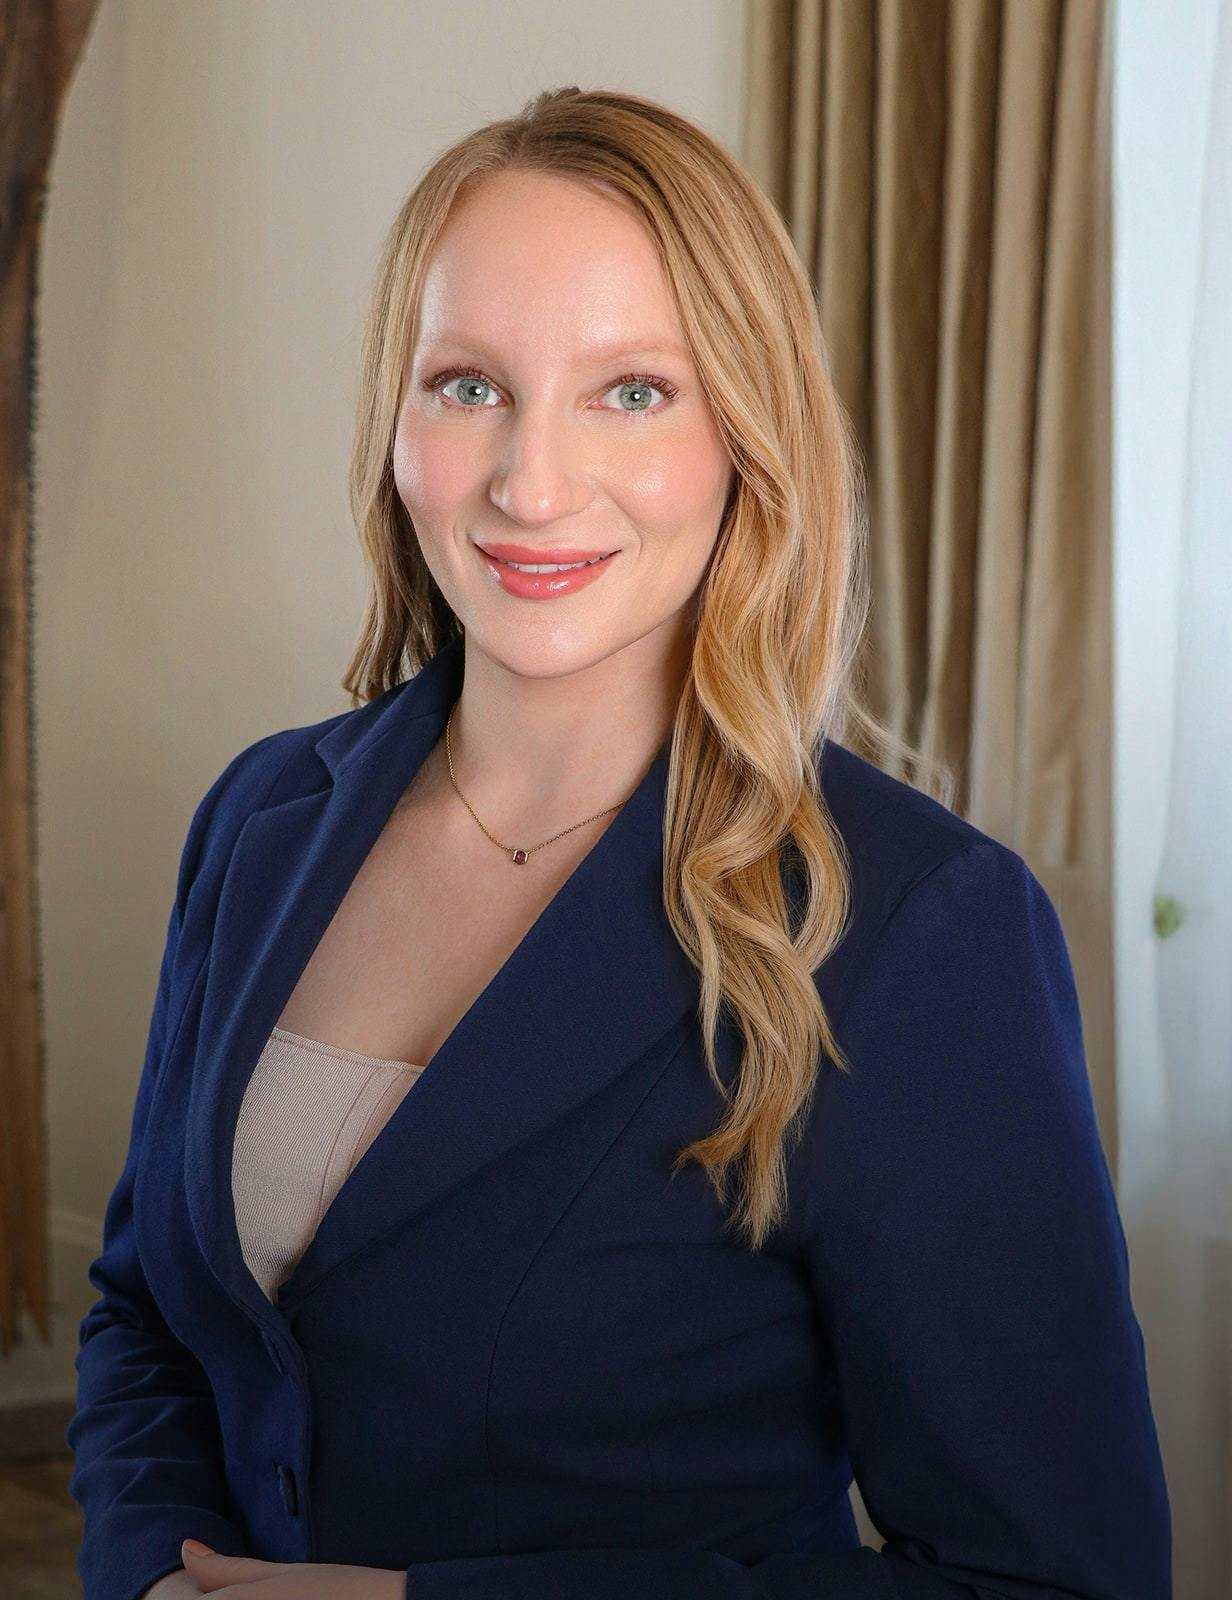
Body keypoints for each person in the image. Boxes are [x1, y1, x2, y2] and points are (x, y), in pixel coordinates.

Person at [66, 86, 1171, 1600]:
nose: (530, 481)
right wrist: (149, 1578)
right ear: (396, 417)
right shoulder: (262, 818)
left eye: (630, 390)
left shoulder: (921, 929)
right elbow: (145, 1317)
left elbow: (1054, 1580)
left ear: (747, 432)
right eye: (467, 385)